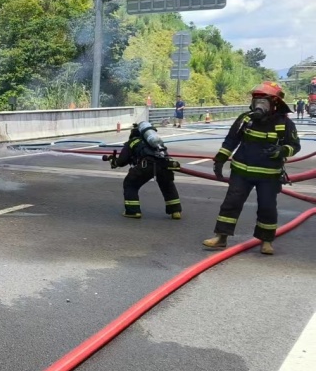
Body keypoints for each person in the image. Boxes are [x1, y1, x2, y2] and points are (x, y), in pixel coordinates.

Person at [203, 81, 301, 256]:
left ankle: (266, 241)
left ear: (275, 103)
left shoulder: (284, 124)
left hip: (269, 176)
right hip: (242, 172)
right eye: (257, 101)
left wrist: (282, 150)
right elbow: (231, 141)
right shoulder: (246, 119)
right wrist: (219, 160)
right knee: (231, 204)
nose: (260, 105)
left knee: (267, 207)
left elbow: (295, 145)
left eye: (264, 101)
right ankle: (221, 237)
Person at [108, 121, 182, 220]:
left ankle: (133, 211)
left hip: (147, 165)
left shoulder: (132, 142)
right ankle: (175, 211)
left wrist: (114, 162)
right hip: (164, 164)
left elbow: (122, 161)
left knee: (130, 184)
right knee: (167, 185)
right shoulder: (155, 142)